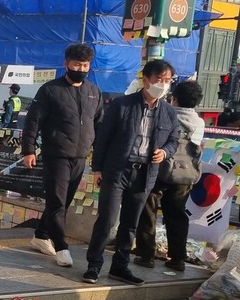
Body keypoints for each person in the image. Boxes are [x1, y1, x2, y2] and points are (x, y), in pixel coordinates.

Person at [83, 59, 180, 285]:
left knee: (130, 223)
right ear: (145, 79)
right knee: (106, 219)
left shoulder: (168, 112)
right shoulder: (123, 105)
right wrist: (97, 168)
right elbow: (103, 138)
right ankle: (93, 266)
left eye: (167, 81)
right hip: (117, 170)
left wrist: (165, 152)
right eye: (159, 79)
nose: (163, 85)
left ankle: (120, 266)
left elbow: (174, 140)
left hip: (145, 173)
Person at [21, 43, 104, 267]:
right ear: (66, 64)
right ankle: (62, 247)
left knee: (63, 201)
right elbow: (33, 122)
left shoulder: (94, 92)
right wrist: (28, 150)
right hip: (55, 154)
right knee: (57, 201)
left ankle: (40, 235)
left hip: (80, 157)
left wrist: (100, 160)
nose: (81, 68)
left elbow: (99, 126)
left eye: (85, 65)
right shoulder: (50, 90)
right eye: (77, 64)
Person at [134, 79, 205, 272]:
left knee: (148, 210)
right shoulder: (199, 122)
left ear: (174, 98)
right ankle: (177, 258)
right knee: (177, 214)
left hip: (159, 168)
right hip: (185, 174)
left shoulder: (166, 113)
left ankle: (146, 254)